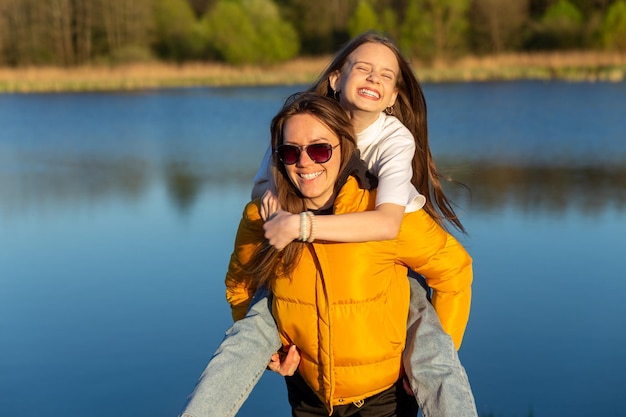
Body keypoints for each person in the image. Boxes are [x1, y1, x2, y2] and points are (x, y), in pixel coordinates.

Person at [179, 93, 475, 417]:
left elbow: (454, 271)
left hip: (384, 403)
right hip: (310, 401)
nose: (305, 162)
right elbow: (240, 285)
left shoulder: (382, 212)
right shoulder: (263, 216)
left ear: (344, 147)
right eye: (291, 152)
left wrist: (425, 360)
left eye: (319, 150)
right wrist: (270, 352)